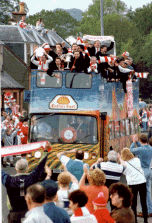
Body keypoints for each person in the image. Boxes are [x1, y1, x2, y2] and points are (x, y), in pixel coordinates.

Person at [2, 142, 51, 223]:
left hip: (14, 215)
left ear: (15, 169)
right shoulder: (32, 178)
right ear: (27, 168)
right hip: (28, 212)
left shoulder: (9, 180)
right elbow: (40, 166)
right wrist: (45, 151)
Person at [118, 148, 148, 223]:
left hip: (132, 184)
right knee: (143, 202)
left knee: (133, 203)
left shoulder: (124, 164)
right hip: (142, 182)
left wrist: (119, 158)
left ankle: (135, 221)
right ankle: (145, 221)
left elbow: (123, 166)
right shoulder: (137, 160)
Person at [130, 134, 152, 217]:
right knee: (148, 192)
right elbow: (142, 147)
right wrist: (137, 142)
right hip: (149, 170)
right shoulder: (150, 148)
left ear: (140, 140)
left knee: (142, 193)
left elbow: (131, 150)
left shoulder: (140, 149)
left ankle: (145, 211)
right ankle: (150, 210)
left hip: (142, 171)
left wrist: (134, 142)